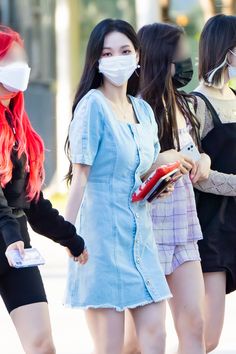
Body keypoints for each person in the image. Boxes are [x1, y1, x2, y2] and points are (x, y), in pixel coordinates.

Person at [64, 18, 172, 354]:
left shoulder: (142, 110)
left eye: (125, 50)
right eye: (108, 53)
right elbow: (80, 176)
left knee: (155, 336)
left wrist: (156, 184)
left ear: (138, 56)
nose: (117, 58)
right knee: (110, 348)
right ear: (96, 61)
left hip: (140, 239)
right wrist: (68, 235)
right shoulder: (92, 106)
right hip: (101, 242)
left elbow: (138, 172)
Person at [123, 23, 211, 354]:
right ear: (162, 58)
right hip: (148, 224)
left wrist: (202, 158)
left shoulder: (184, 104)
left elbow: (190, 152)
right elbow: (121, 168)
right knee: (140, 337)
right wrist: (160, 158)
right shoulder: (134, 107)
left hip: (183, 220)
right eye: (181, 55)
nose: (188, 62)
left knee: (194, 324)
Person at [0, 25, 88, 354]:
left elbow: (31, 200)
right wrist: (11, 239)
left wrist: (70, 238)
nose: (21, 66)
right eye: (11, 58)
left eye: (22, 59)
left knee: (42, 344)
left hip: (15, 245)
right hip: (10, 240)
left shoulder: (16, 122)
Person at [192, 14, 236, 353]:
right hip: (213, 230)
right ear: (226, 50)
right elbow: (199, 176)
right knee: (208, 338)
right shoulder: (196, 104)